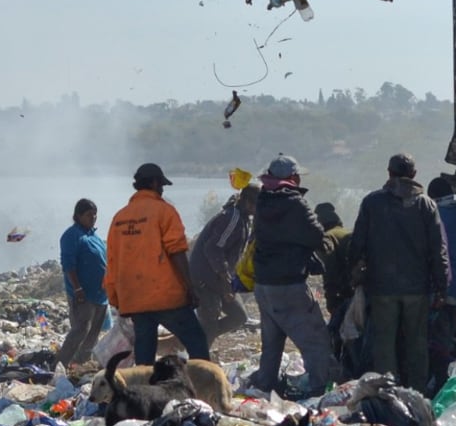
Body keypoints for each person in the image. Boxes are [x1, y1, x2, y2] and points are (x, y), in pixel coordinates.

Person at [350, 153, 448, 392]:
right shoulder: (426, 204)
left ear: (389, 173)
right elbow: (438, 248)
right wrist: (442, 286)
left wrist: (354, 275)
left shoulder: (372, 203)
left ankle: (388, 393)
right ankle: (416, 392)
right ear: (413, 175)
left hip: (382, 288)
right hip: (417, 289)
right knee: (417, 343)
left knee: (384, 344)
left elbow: (356, 244)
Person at [105, 163, 211, 365]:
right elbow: (177, 251)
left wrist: (115, 296)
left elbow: (112, 260)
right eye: (161, 185)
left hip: (134, 298)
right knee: (196, 341)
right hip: (166, 296)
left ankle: (145, 390)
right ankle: (203, 383)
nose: (162, 190)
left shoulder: (119, 218)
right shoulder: (165, 212)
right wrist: (190, 288)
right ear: (154, 183)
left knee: (144, 352)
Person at [249, 154, 335, 395]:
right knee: (315, 340)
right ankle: (322, 389)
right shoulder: (295, 202)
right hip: (289, 284)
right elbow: (316, 236)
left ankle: (265, 386)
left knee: (272, 342)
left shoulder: (262, 201)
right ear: (294, 177)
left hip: (264, 284)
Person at [191, 184, 258, 339]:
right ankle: (200, 354)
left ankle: (198, 340)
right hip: (205, 279)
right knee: (210, 323)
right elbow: (213, 249)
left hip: (219, 278)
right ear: (248, 203)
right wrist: (225, 281)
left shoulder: (244, 219)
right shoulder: (231, 218)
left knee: (239, 317)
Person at [428, 174, 456, 383]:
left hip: (443, 288)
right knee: (448, 334)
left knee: (438, 339)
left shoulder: (437, 216)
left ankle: (440, 380)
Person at [57, 200, 108, 367]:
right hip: (83, 294)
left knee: (93, 334)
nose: (93, 218)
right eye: (88, 215)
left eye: (95, 214)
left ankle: (80, 365)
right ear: (78, 216)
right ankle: (60, 365)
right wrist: (77, 288)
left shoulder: (95, 237)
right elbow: (68, 265)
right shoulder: (71, 236)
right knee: (80, 330)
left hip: (100, 294)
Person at [314, 202, 360, 375]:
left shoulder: (328, 237)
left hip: (344, 295)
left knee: (338, 333)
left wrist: (331, 299)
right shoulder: (347, 232)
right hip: (360, 291)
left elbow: (330, 272)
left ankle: (342, 370)